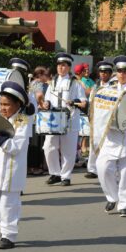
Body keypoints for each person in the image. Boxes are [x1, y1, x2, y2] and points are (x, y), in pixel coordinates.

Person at [0, 81, 34, 249]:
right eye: (1, 104)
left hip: (12, 171)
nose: (3, 108)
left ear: (18, 104)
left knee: (8, 204)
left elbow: (16, 147)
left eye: (7, 104)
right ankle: (6, 224)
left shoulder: (23, 121)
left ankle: (9, 235)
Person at [94, 56, 126, 217]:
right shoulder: (107, 89)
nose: (122, 74)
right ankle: (112, 196)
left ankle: (124, 204)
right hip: (111, 137)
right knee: (103, 168)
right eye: (120, 71)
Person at [42, 53, 87, 186]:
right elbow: (48, 99)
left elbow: (83, 101)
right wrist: (46, 104)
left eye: (63, 65)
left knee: (68, 149)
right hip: (54, 120)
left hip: (70, 120)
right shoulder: (53, 82)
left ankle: (65, 176)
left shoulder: (75, 83)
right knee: (49, 147)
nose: (60, 68)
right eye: (59, 65)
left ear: (68, 68)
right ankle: (55, 173)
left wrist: (74, 101)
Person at [84, 61, 114, 179]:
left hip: (108, 119)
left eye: (106, 72)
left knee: (107, 144)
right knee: (93, 143)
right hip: (96, 118)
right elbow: (91, 102)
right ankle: (92, 169)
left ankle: (106, 168)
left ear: (110, 74)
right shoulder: (95, 86)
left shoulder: (114, 87)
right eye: (101, 72)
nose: (103, 74)